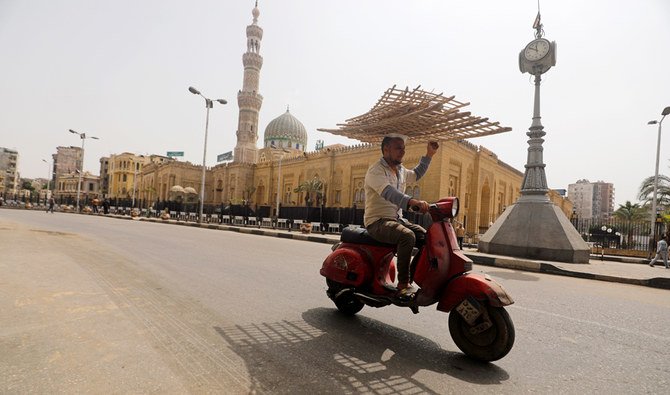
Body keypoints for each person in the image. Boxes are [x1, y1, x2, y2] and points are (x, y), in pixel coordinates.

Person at [364, 134, 439, 298]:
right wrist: (411, 201)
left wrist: (429, 154)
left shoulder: (401, 171)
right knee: (407, 236)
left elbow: (417, 174)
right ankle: (403, 284)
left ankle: (420, 276)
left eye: (403, 148)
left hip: (396, 220)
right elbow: (389, 193)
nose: (402, 152)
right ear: (386, 149)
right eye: (398, 148)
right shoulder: (376, 170)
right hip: (377, 222)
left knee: (426, 236)